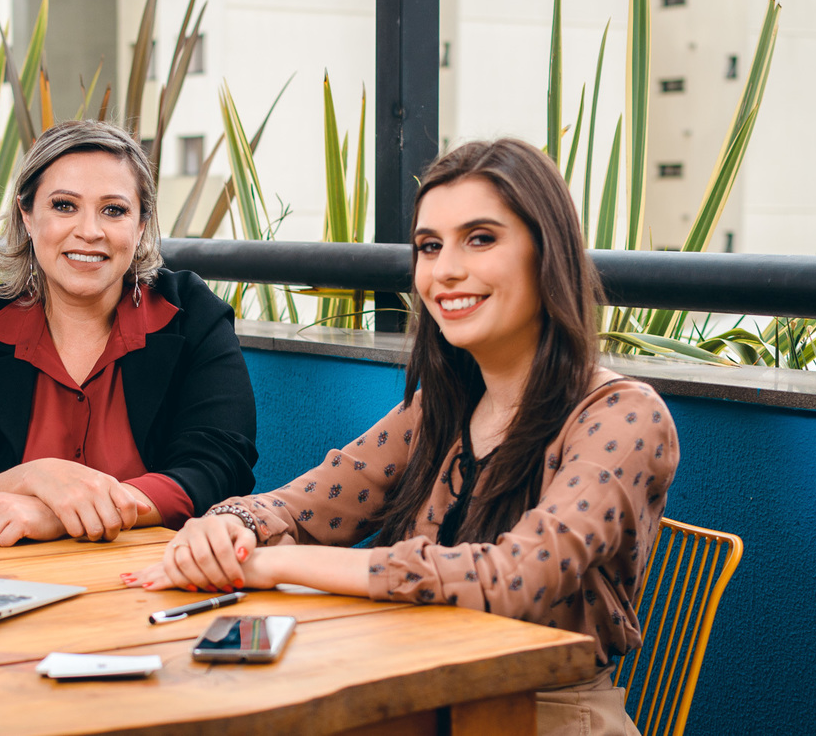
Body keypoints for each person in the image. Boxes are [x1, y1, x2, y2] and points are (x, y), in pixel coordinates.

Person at [125, 138, 678, 735]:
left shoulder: (623, 415)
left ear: (547, 254)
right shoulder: (440, 409)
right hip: (413, 693)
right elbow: (307, 503)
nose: (446, 270)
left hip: (543, 713)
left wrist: (269, 567)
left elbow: (518, 579)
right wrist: (231, 526)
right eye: (429, 247)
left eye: (481, 238)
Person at [0, 120, 257, 547]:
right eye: (63, 205)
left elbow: (218, 468)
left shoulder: (191, 316)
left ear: (141, 225)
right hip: (8, 581)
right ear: (27, 215)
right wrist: (33, 477)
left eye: (114, 209)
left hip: (157, 574)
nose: (89, 231)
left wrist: (57, 514)